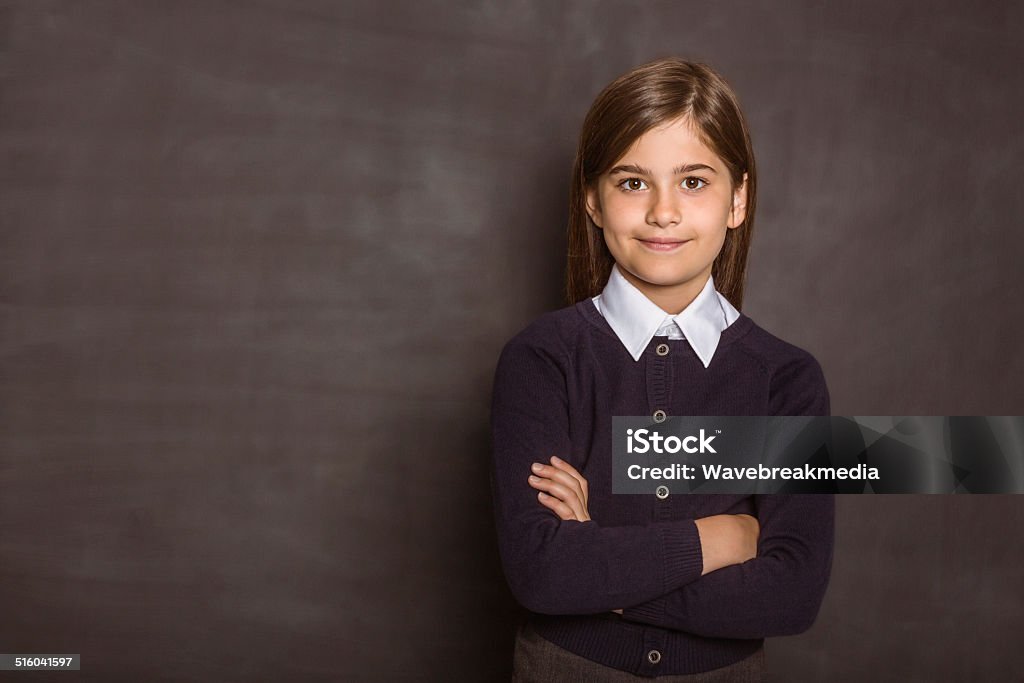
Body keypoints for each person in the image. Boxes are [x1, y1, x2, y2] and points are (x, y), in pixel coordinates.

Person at [489, 57, 834, 681]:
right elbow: (543, 573)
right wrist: (721, 538)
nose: (664, 213)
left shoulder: (787, 380)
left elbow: (793, 592)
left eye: (695, 182)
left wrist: (603, 570)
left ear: (739, 201)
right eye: (632, 182)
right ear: (593, 201)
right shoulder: (541, 360)